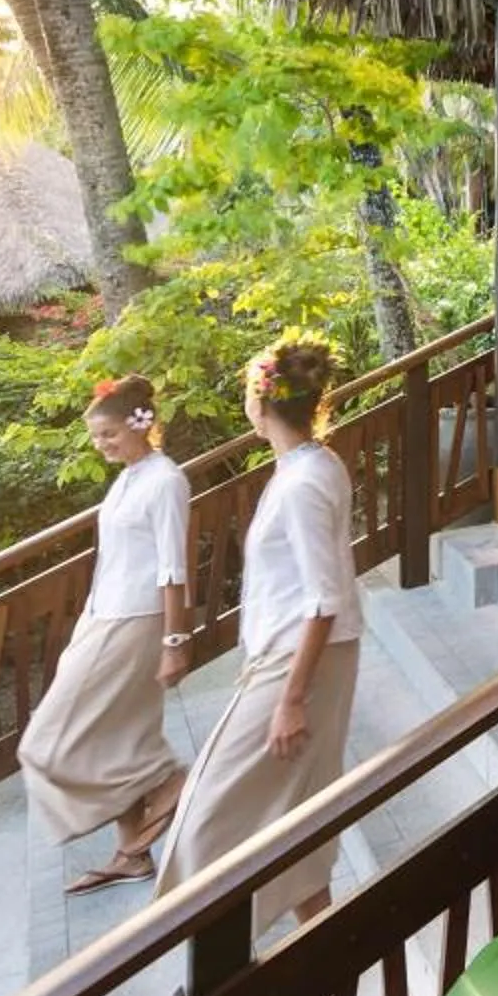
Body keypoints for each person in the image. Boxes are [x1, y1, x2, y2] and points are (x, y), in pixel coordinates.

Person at [152, 336, 362, 932]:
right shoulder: (312, 464)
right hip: (302, 657)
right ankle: (324, 946)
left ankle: (213, 953)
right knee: (293, 809)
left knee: (205, 815)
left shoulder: (303, 483)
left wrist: (291, 699)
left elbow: (323, 598)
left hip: (298, 665)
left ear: (260, 402)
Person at [18, 374, 193, 894]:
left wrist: (175, 641)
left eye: (110, 434)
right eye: (96, 437)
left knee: (44, 742)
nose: (101, 445)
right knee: (120, 735)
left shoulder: (165, 480)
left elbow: (173, 567)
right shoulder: (129, 478)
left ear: (141, 424)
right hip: (104, 613)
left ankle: (170, 781)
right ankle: (132, 853)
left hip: (134, 620)